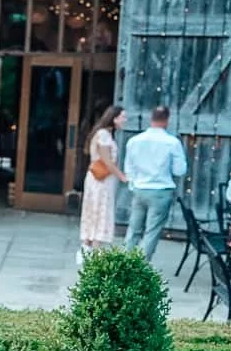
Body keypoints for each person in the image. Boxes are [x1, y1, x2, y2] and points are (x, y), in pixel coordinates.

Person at [122, 105, 188, 260]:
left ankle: (124, 262)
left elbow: (128, 167)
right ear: (167, 120)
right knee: (152, 231)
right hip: (161, 189)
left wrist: (133, 184)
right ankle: (141, 265)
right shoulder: (172, 143)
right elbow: (180, 170)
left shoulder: (134, 141)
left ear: (151, 119)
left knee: (134, 229)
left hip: (140, 187)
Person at [79, 105, 128, 260]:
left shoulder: (105, 134)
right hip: (100, 180)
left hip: (101, 179)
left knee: (95, 209)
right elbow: (107, 161)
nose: (124, 120)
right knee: (99, 209)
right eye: (122, 117)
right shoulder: (103, 135)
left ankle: (88, 248)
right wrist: (122, 176)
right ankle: (94, 248)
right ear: (114, 118)